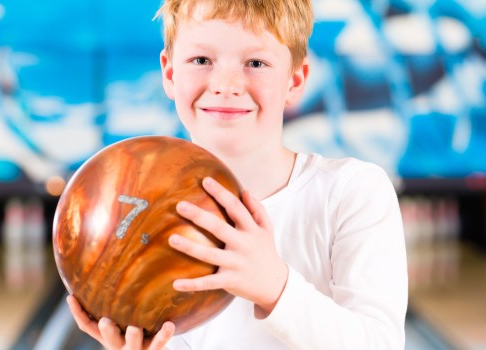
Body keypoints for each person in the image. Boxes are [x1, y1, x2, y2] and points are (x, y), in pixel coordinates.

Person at [66, 0, 408, 348]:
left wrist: (276, 286)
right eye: (201, 60)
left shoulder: (354, 192)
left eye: (255, 63)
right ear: (170, 74)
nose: (226, 84)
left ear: (295, 80)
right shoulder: (133, 203)